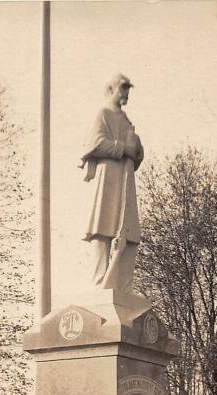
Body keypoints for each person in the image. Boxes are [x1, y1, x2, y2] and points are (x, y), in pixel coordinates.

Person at [80, 73, 144, 290]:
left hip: (126, 179)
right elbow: (95, 143)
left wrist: (136, 148)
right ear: (111, 89)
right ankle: (99, 284)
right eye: (123, 89)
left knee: (129, 233)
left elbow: (136, 154)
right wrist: (122, 148)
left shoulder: (126, 119)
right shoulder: (103, 113)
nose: (126, 94)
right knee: (104, 227)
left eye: (128, 89)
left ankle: (122, 286)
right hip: (109, 178)